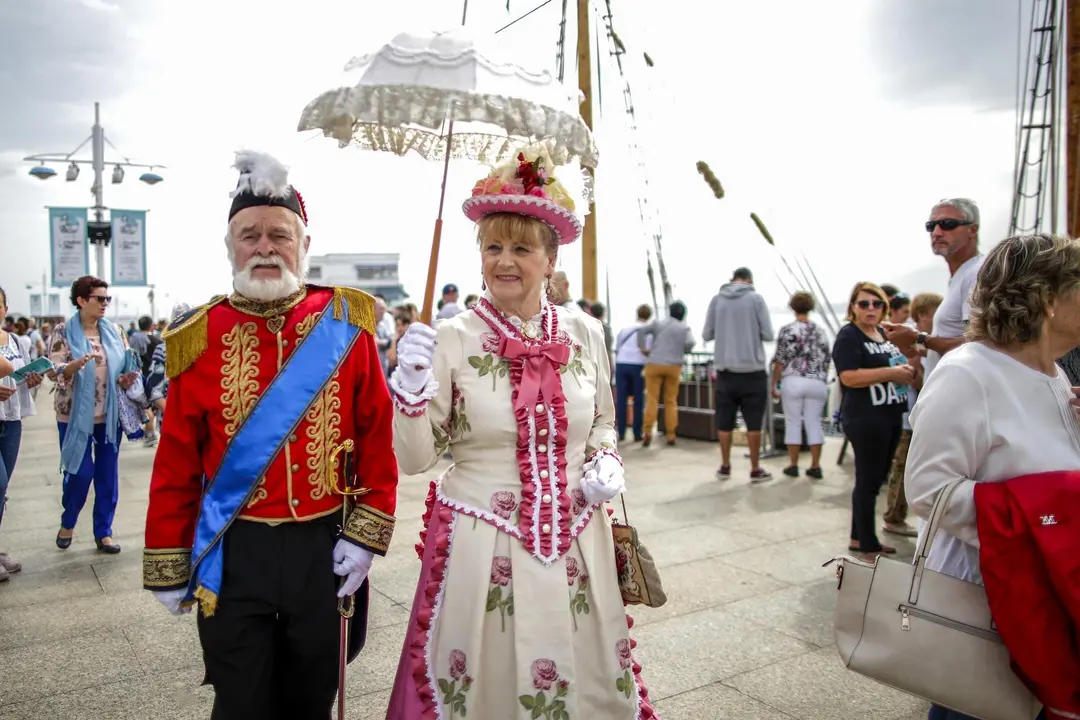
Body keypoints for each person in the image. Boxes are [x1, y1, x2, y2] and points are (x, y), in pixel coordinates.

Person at [385, 144, 659, 719]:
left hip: (578, 536)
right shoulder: (451, 337)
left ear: (551, 258)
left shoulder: (586, 332)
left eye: (521, 247)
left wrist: (606, 458)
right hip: (481, 542)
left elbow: (603, 418)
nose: (503, 260)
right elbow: (414, 462)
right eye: (492, 246)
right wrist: (409, 393)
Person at [140, 150, 399, 718]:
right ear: (229, 247)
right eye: (248, 234)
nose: (264, 247)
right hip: (235, 550)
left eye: (279, 235)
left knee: (313, 692)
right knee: (239, 697)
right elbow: (177, 462)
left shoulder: (346, 323)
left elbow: (378, 439)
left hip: (324, 545)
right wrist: (166, 555)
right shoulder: (197, 335)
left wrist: (365, 535)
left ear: (303, 245)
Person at [905, 234, 1077, 720]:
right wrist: (1054, 509)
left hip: (1049, 598)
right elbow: (928, 490)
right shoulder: (969, 372)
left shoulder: (1057, 376)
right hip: (988, 613)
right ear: (1048, 299)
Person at [49, 275, 140, 553]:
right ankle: (68, 522)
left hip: (109, 417)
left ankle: (104, 532)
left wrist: (126, 378)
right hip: (73, 415)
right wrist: (73, 366)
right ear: (81, 301)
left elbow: (124, 364)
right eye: (99, 299)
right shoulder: (63, 331)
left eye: (107, 299)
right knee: (80, 473)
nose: (105, 304)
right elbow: (53, 371)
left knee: (107, 475)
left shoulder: (114, 330)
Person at [832, 282, 914, 561]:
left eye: (876, 304)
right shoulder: (849, 336)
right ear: (853, 307)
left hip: (890, 414)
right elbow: (849, 377)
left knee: (877, 478)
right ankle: (868, 544)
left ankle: (859, 536)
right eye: (863, 304)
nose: (870, 309)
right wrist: (891, 372)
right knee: (868, 481)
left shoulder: (882, 333)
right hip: (865, 418)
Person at [702, 267, 775, 482]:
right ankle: (755, 468)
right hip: (753, 371)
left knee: (724, 422)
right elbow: (769, 334)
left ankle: (725, 466)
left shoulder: (717, 300)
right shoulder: (756, 299)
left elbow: (707, 333)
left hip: (725, 372)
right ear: (750, 280)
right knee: (753, 423)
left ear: (732, 279)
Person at [0, 286, 43, 579]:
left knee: (2, 491)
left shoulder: (15, 339)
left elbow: (22, 379)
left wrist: (33, 378)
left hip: (11, 420)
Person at [769, 291, 830, 479]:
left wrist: (775, 383)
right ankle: (815, 465)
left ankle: (793, 464)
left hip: (793, 380)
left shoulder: (788, 330)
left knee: (793, 422)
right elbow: (827, 359)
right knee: (814, 422)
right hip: (817, 381)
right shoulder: (820, 331)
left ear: (792, 307)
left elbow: (780, 360)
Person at [637, 300, 695, 446]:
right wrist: (682, 350)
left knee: (652, 399)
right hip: (674, 366)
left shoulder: (658, 323)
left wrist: (643, 347)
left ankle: (647, 432)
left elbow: (641, 331)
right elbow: (690, 343)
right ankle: (671, 434)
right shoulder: (684, 328)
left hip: (654, 363)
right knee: (671, 400)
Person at [613, 304, 652, 442]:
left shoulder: (625, 329)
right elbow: (649, 350)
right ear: (649, 315)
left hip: (622, 363)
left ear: (637, 314)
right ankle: (637, 432)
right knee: (638, 399)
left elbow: (617, 347)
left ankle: (621, 432)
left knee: (621, 398)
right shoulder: (649, 331)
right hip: (638, 365)